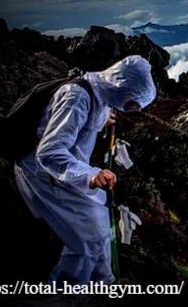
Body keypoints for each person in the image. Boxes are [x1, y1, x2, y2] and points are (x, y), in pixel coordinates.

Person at [13, 55, 156, 285]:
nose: (130, 110)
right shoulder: (76, 97)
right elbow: (49, 152)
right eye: (131, 104)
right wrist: (91, 175)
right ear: (120, 85)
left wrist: (102, 120)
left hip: (67, 172)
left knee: (100, 226)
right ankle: (65, 296)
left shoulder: (97, 90)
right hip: (43, 174)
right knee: (90, 237)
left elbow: (85, 118)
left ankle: (102, 282)